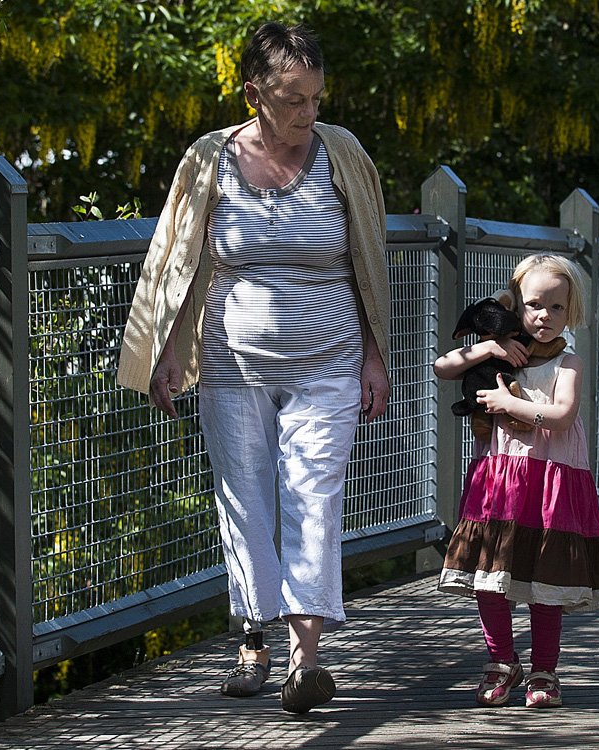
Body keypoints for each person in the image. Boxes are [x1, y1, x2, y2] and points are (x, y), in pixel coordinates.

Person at [114, 21, 390, 715]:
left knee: (313, 501)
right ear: (253, 94)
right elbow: (176, 258)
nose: (308, 113)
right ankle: (253, 636)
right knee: (244, 502)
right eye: (294, 99)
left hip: (329, 362)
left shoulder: (342, 154)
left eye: (317, 98)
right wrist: (164, 351)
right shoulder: (209, 158)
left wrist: (376, 355)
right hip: (234, 365)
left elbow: (371, 261)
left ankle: (307, 661)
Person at [433, 254, 599, 709]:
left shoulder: (568, 362)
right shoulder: (504, 348)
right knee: (490, 574)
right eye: (535, 305)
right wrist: (489, 349)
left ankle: (544, 669)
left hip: (551, 481)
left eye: (557, 308)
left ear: (570, 311)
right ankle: (501, 661)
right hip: (502, 476)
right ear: (516, 303)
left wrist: (508, 404)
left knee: (544, 575)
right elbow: (443, 366)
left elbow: (561, 415)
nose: (544, 316)